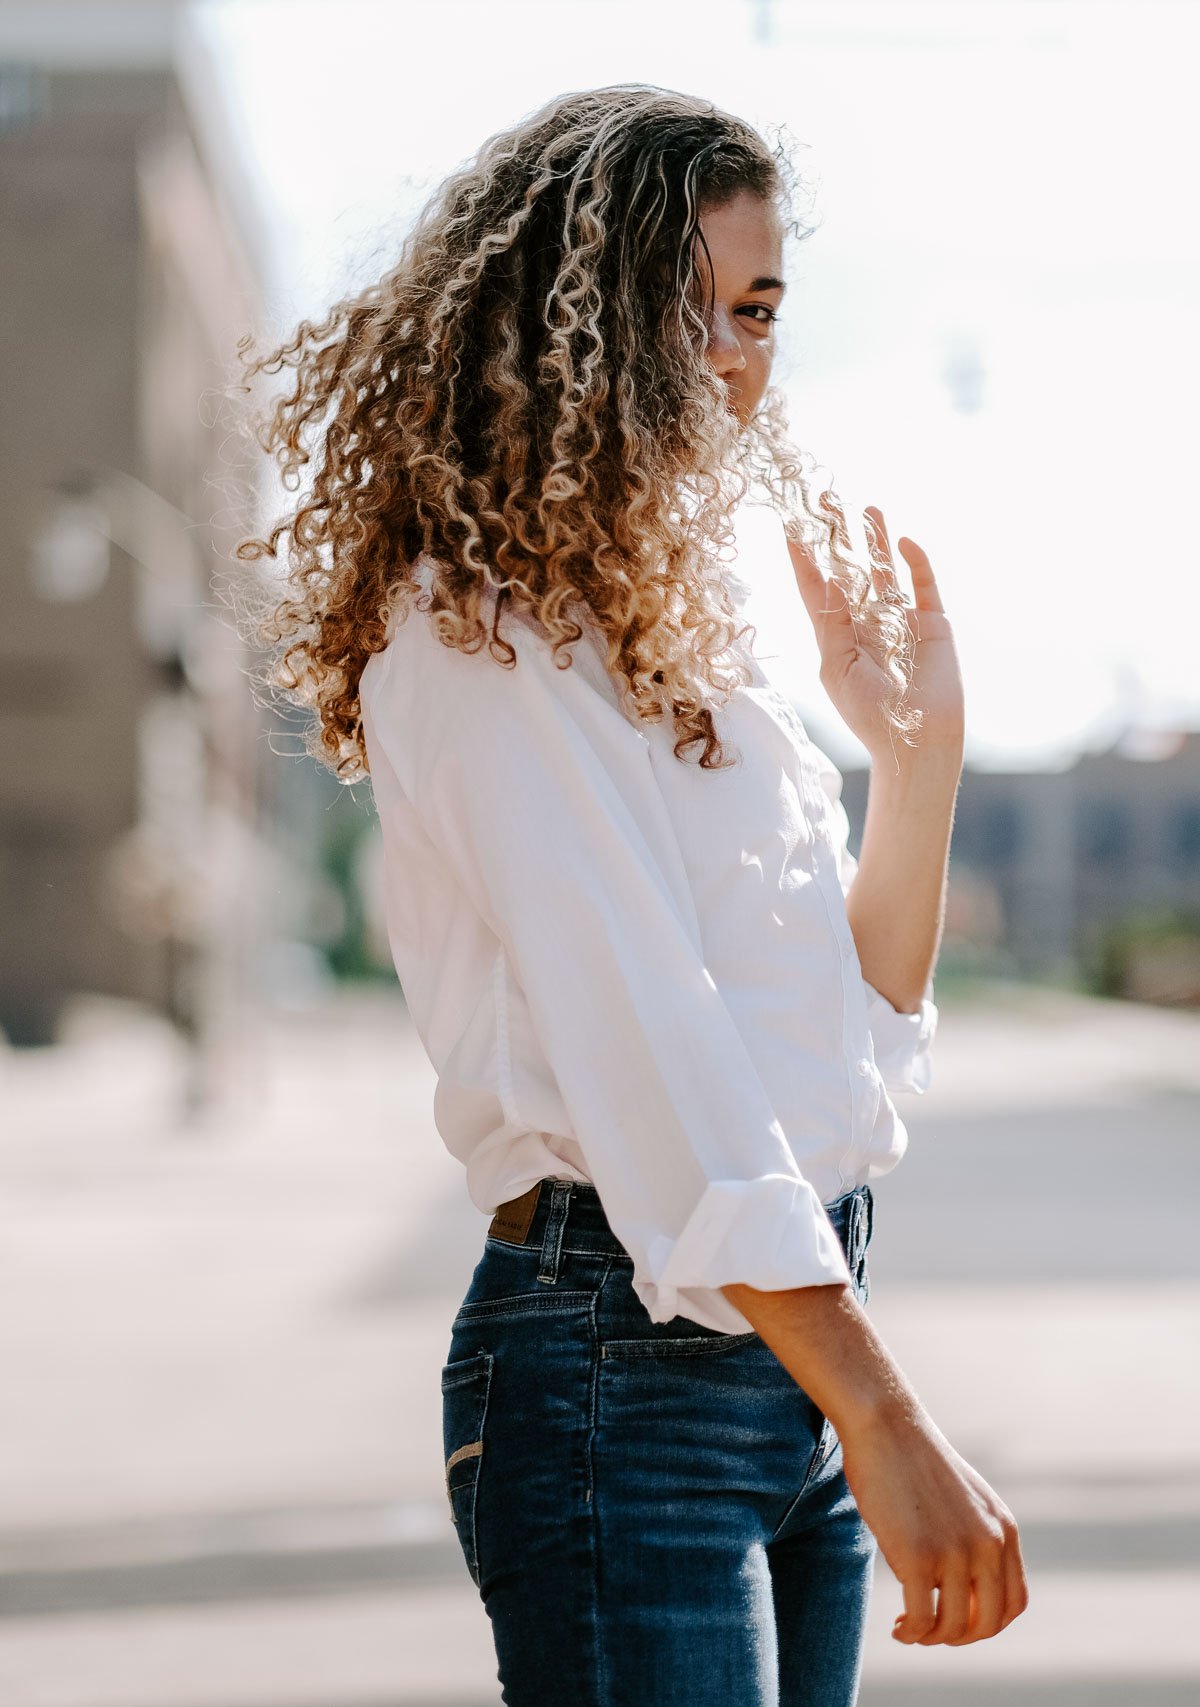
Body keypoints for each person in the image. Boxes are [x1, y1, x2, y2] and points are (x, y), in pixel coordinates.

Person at [233, 83, 1027, 1707]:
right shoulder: (477, 637)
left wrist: (916, 759)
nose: (738, 358)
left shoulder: (692, 645)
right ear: (571, 329)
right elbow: (660, 1064)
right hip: (620, 1366)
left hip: (788, 1347)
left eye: (760, 312)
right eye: (693, 311)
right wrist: (885, 1412)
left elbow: (846, 1040)